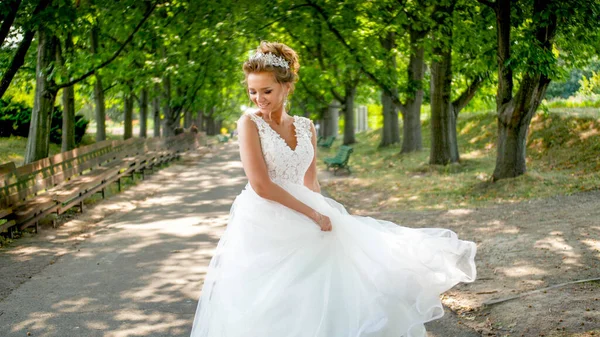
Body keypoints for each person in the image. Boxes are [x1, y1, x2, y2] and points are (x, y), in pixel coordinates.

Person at [190, 41, 477, 337]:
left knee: (328, 288)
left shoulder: (306, 126)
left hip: (308, 209)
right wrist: (313, 214)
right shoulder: (249, 123)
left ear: (287, 87)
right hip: (266, 221)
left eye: (267, 91)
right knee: (274, 297)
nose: (258, 99)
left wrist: (328, 212)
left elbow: (310, 181)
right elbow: (261, 185)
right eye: (252, 91)